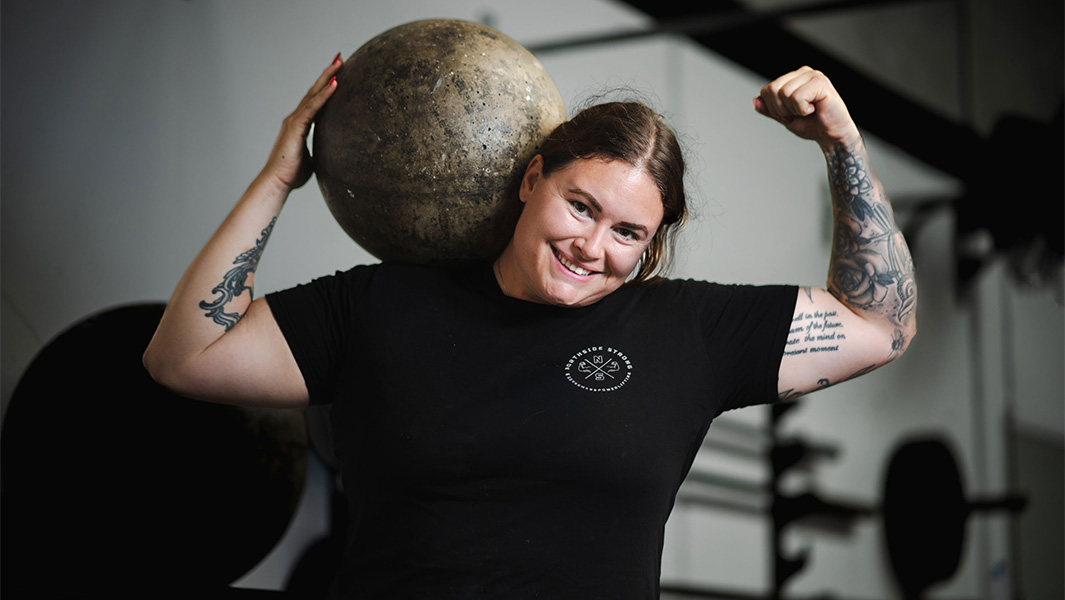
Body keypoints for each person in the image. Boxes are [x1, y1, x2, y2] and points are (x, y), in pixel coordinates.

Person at [143, 55, 916, 598]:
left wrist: (842, 144)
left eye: (628, 233)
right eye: (579, 206)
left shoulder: (689, 331)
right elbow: (185, 358)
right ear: (530, 179)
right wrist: (280, 177)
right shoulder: (383, 305)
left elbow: (879, 324)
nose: (592, 247)